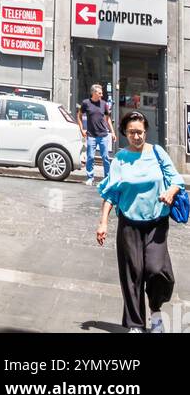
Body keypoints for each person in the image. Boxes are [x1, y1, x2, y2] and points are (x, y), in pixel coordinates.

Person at [95, 111, 183, 333]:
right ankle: (135, 325)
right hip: (129, 224)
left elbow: (176, 180)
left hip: (157, 222)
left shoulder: (157, 152)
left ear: (146, 132)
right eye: (132, 132)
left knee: (157, 271)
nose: (136, 136)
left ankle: (155, 311)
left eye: (140, 132)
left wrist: (171, 192)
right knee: (132, 274)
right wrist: (103, 222)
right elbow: (111, 194)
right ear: (124, 133)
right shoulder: (120, 159)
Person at [77, 83, 115, 185]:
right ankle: (90, 178)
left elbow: (108, 119)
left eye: (101, 93)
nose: (101, 95)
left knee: (105, 157)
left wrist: (112, 132)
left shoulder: (104, 104)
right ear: (94, 93)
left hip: (103, 135)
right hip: (91, 135)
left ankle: (107, 178)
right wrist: (82, 129)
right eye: (99, 93)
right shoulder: (86, 103)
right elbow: (79, 115)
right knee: (90, 157)